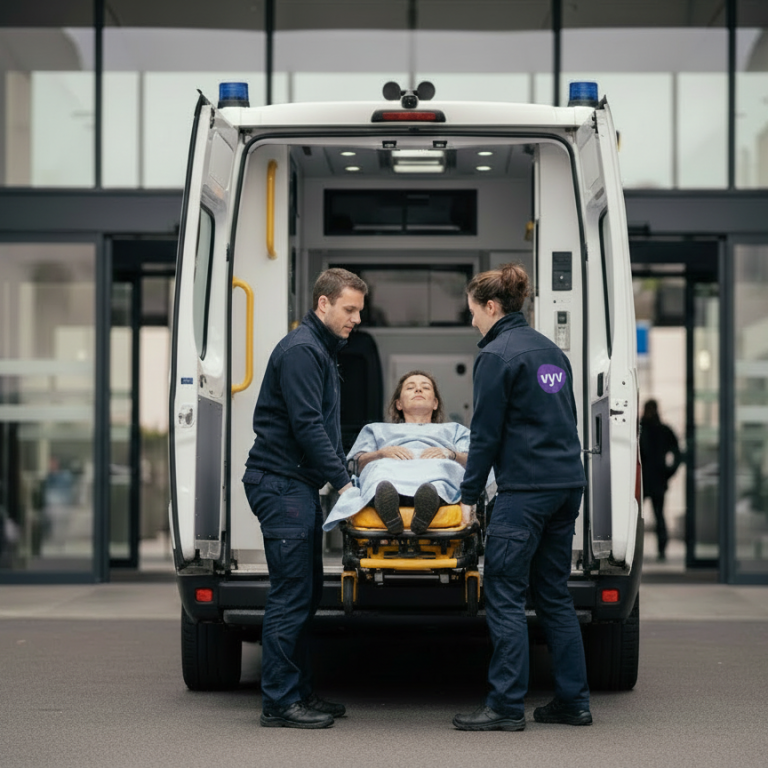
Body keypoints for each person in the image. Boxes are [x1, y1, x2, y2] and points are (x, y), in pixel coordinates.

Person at [454, 262, 590, 732]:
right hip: (565, 486)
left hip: (526, 492)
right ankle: (573, 702)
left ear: (492, 306)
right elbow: (564, 419)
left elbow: (486, 432)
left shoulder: (497, 354)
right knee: (553, 594)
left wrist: (468, 495)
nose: (471, 320)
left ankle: (506, 706)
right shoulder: (552, 351)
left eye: (472, 311)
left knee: (505, 592)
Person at [242, 267, 367, 729]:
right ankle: (279, 703)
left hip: (294, 485)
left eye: (359, 311)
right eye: (349, 309)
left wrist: (343, 470)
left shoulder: (321, 350)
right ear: (323, 304)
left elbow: (324, 429)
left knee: (307, 592)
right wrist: (344, 482)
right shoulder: (301, 351)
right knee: (292, 596)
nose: (356, 319)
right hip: (280, 484)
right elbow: (307, 426)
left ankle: (300, 693)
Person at [323, 370, 487, 535]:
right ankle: (400, 508)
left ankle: (422, 504)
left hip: (436, 475)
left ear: (435, 403)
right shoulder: (376, 429)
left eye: (425, 387)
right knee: (380, 469)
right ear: (398, 404)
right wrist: (380, 454)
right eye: (410, 387)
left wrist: (451, 454)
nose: (418, 390)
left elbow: (475, 463)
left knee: (440, 468)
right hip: (388, 477)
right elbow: (355, 465)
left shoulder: (454, 430)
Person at [639, 399, 682, 562]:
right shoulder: (657, 430)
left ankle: (660, 550)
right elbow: (677, 454)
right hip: (651, 480)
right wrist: (667, 473)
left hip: (650, 481)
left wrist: (667, 473)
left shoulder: (644, 430)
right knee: (654, 517)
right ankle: (660, 550)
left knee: (652, 517)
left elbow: (677, 454)